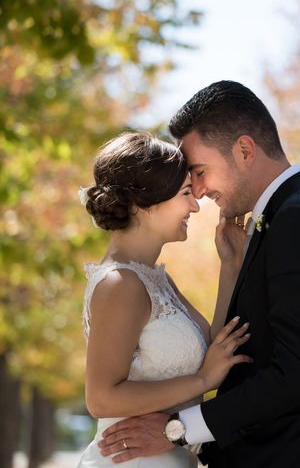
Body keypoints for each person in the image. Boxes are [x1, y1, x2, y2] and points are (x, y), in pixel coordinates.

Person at [98, 81, 300, 467]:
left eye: (200, 171)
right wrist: (232, 267)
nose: (199, 192)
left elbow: (298, 372)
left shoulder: (299, 219)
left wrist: (179, 429)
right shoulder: (285, 217)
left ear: (244, 150)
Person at [77, 131, 252, 467]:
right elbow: (101, 398)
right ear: (146, 202)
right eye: (186, 193)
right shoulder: (120, 283)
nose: (195, 205)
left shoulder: (155, 278)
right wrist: (202, 382)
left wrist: (230, 266)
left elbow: (212, 348)